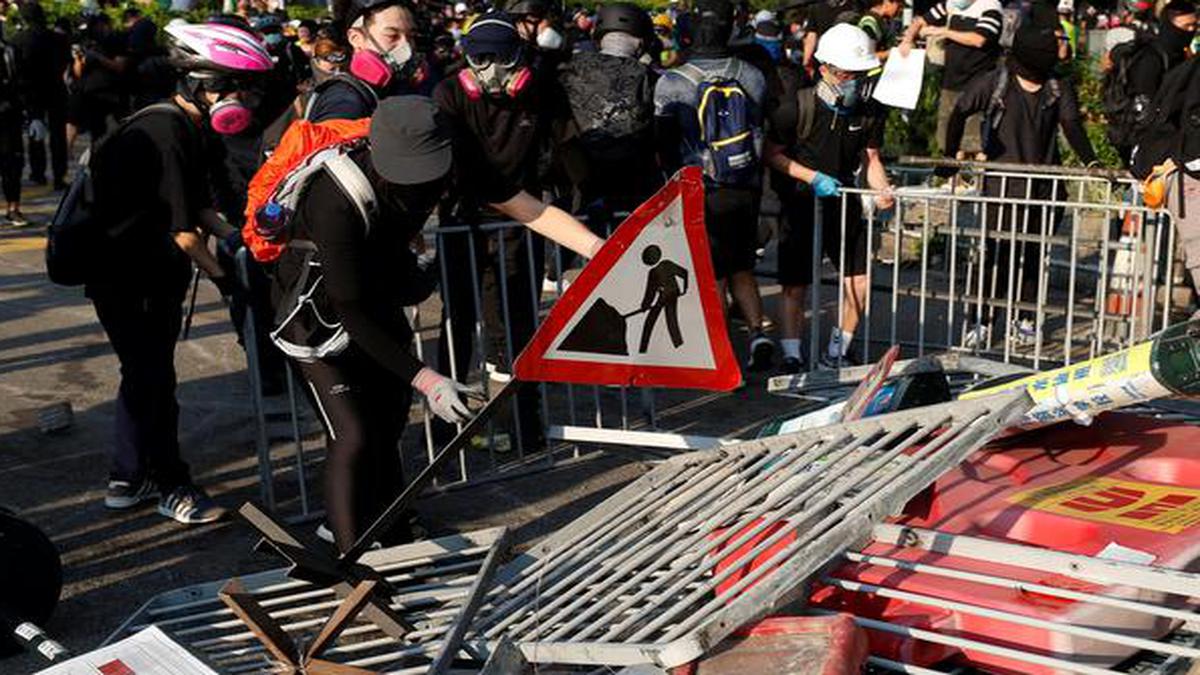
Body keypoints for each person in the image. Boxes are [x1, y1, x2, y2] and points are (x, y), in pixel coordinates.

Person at [276, 96, 602, 551]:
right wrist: (428, 379)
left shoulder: (454, 153)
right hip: (318, 311)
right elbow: (350, 306)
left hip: (382, 289)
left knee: (388, 420)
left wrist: (599, 251)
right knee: (352, 432)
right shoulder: (334, 196)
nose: (420, 184)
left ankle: (387, 524)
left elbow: (528, 209)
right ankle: (348, 553)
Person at [87, 22, 273, 524]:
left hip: (143, 275)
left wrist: (236, 238)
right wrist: (227, 280)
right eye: (232, 86)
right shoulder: (165, 131)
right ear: (198, 83)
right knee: (155, 382)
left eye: (246, 87)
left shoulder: (187, 127)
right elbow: (183, 233)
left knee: (144, 376)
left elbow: (196, 208)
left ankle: (127, 477)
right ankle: (173, 486)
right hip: (130, 279)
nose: (243, 98)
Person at [434, 12, 582, 449]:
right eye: (481, 58)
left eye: (501, 58)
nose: (492, 68)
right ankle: (447, 428)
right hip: (465, 223)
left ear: (520, 59)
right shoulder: (449, 95)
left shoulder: (541, 93)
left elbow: (566, 152)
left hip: (523, 225)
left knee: (516, 327)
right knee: (457, 321)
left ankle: (523, 424)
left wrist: (575, 205)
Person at [941, 24, 1096, 349]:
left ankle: (1023, 319)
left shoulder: (1057, 86)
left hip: (1045, 188)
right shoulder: (997, 82)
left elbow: (1072, 126)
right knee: (995, 254)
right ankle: (981, 320)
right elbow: (959, 112)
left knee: (1034, 254)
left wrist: (1092, 162)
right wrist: (948, 156)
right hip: (1003, 186)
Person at [766, 24, 894, 372]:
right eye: (847, 74)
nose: (854, 81)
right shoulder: (796, 107)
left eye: (860, 74)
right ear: (824, 69)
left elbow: (871, 158)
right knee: (795, 284)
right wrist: (812, 177)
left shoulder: (872, 111)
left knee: (859, 281)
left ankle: (838, 350)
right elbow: (772, 154)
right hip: (801, 202)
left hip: (844, 204)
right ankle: (792, 354)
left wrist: (882, 189)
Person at [654, 0, 774, 371]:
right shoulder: (751, 75)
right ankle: (758, 333)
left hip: (700, 189)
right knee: (742, 268)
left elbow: (662, 142)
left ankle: (721, 357)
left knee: (712, 273)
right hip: (746, 185)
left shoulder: (672, 80)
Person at [558, 2, 663, 219]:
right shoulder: (650, 76)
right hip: (637, 189)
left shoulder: (569, 71)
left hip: (582, 186)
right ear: (642, 41)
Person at [899, 0, 1004, 156]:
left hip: (977, 83)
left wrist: (944, 32)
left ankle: (975, 178)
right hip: (951, 81)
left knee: (975, 143)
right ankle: (952, 176)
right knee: (948, 140)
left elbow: (979, 39)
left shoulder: (991, 7)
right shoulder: (951, 4)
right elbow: (921, 21)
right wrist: (908, 39)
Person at [1106, 0, 1196, 166]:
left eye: (1194, 26)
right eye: (1186, 27)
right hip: (1147, 144)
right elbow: (1145, 103)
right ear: (1169, 25)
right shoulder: (1151, 59)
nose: (1190, 31)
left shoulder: (1181, 58)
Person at [305, 0, 428, 122]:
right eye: (392, 36)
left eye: (411, 36)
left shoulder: (393, 87)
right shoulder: (343, 101)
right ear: (356, 38)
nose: (407, 47)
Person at [13, 2, 70, 191]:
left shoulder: (19, 39)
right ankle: (59, 175)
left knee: (35, 132)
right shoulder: (59, 39)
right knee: (58, 136)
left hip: (32, 91)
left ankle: (38, 173)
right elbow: (64, 64)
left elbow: (17, 69)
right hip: (56, 89)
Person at [66, 12, 128, 150]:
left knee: (100, 132)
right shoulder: (82, 40)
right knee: (72, 123)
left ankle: (98, 160)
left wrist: (98, 58)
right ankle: (65, 158)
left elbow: (120, 66)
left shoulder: (116, 40)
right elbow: (77, 73)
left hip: (106, 93)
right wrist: (78, 59)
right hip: (84, 90)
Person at [0, 22, 26, 227]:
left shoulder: (10, 51)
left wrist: (33, 113)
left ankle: (13, 208)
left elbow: (23, 81)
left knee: (12, 163)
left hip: (9, 115)